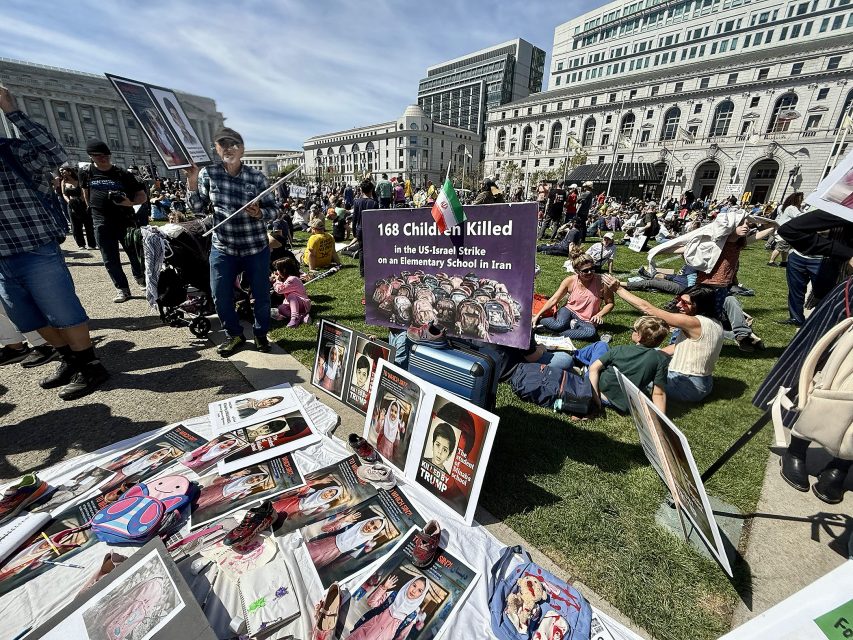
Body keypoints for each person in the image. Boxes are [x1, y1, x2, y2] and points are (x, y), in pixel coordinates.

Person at [0, 86, 109, 400]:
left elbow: (55, 155)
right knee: (27, 318)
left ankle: (91, 366)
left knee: (63, 312)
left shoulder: (12, 151)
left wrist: (11, 111)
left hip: (35, 247)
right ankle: (69, 359)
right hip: (2, 258)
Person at [186, 127, 277, 356]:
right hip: (223, 247)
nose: (228, 148)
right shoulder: (208, 174)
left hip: (255, 247)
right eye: (223, 144)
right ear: (216, 149)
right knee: (220, 294)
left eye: (233, 144)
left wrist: (260, 213)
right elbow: (197, 208)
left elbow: (275, 210)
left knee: (261, 295)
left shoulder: (256, 177)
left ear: (242, 150)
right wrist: (192, 181)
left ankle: (260, 334)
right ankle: (234, 334)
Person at [605, 277, 723, 403]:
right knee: (646, 353)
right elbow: (679, 347)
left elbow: (648, 309)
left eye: (685, 303)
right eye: (679, 300)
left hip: (685, 385)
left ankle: (604, 397)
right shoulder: (715, 323)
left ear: (700, 305)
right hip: (703, 383)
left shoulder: (694, 323)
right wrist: (651, 354)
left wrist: (618, 289)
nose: (678, 305)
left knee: (629, 377)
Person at [80, 140, 148, 303]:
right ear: (91, 157)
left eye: (106, 155)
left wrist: (130, 203)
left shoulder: (122, 173)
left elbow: (142, 196)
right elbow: (85, 192)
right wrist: (91, 208)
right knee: (109, 258)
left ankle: (141, 279)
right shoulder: (86, 172)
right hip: (101, 220)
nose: (103, 158)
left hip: (125, 219)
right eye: (98, 156)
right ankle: (122, 289)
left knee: (135, 253)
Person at [588, 316, 670, 414]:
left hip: (600, 393)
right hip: (624, 405)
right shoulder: (661, 360)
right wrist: (660, 418)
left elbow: (593, 368)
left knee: (601, 345)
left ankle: (575, 355)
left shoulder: (620, 349)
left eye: (634, 330)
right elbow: (658, 394)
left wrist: (596, 398)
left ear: (639, 336)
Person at [532, 254, 615, 341]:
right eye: (585, 270)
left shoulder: (602, 282)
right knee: (559, 325)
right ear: (577, 271)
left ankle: (557, 332)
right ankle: (541, 320)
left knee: (590, 332)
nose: (590, 272)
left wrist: (599, 314)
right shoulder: (570, 281)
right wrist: (537, 315)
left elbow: (610, 303)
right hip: (569, 310)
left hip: (587, 319)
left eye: (592, 268)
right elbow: (554, 299)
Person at [349, 575, 429, 640]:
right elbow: (371, 603)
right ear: (409, 584)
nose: (414, 591)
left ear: (421, 595)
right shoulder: (392, 596)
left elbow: (401, 637)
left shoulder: (411, 616)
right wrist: (383, 588)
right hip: (362, 635)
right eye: (414, 585)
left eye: (419, 590)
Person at [306, 511, 386, 568]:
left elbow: (340, 562)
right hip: (321, 545)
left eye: (375, 528)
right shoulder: (350, 525)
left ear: (375, 532)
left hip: (328, 557)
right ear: (368, 521)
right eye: (371, 523)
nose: (370, 527)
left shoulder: (363, 544)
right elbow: (324, 529)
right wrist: (343, 520)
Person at [59, 164, 96, 250]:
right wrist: (69, 202)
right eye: (61, 173)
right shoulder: (63, 182)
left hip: (82, 203)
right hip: (71, 204)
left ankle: (92, 244)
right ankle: (81, 244)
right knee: (75, 226)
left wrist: (82, 200)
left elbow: (83, 191)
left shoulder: (78, 180)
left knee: (88, 224)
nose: (62, 174)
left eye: (64, 172)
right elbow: (64, 194)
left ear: (69, 172)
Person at [272, 256, 311, 327]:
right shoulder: (288, 279)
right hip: (294, 306)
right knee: (281, 308)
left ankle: (294, 318)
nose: (276, 272)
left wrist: (277, 281)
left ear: (284, 270)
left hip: (303, 304)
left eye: (278, 270)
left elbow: (280, 290)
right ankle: (301, 317)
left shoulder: (292, 279)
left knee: (291, 296)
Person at [352, 179, 378, 277]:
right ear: (371, 190)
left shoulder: (357, 202)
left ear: (361, 190)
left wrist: (354, 231)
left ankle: (362, 271)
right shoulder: (374, 203)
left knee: (362, 250)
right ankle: (372, 268)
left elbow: (354, 218)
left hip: (360, 228)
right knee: (372, 250)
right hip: (371, 229)